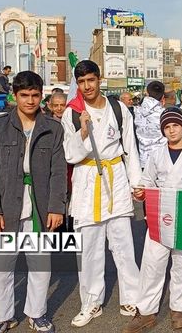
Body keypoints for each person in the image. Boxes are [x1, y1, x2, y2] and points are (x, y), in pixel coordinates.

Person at [0, 71, 67, 333]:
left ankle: (36, 313)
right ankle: (0, 316)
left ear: (42, 96)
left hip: (39, 206)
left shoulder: (52, 128)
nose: (30, 101)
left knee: (39, 263)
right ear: (14, 95)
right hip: (8, 204)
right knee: (3, 265)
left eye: (35, 95)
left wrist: (56, 207)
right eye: (24, 95)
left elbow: (58, 170)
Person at [61, 60, 143, 327]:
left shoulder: (118, 108)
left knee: (123, 244)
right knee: (89, 249)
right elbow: (71, 155)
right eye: (82, 81)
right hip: (86, 180)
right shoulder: (71, 113)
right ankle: (91, 302)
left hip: (115, 177)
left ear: (99, 79)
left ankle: (131, 296)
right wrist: (83, 131)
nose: (87, 86)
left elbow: (130, 147)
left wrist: (136, 183)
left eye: (91, 80)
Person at [123, 108, 182, 333]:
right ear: (163, 130)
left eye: (175, 125)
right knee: (152, 264)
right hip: (158, 213)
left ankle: (178, 309)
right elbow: (147, 180)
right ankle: (146, 312)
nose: (172, 130)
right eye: (167, 127)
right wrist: (140, 192)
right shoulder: (156, 154)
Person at [133, 81, 166, 169]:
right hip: (162, 160)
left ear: (147, 93)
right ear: (163, 97)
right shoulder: (165, 114)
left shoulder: (135, 111)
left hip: (142, 161)